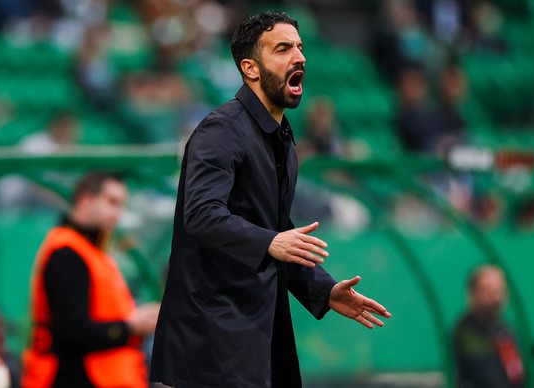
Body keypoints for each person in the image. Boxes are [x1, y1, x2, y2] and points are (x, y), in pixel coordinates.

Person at [150, 11, 391, 388]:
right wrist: (272, 241)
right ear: (251, 68)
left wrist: (324, 290)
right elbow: (200, 214)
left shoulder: (280, 137)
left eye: (299, 47)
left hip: (256, 334)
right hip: (213, 342)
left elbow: (277, 234)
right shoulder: (222, 130)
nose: (299, 56)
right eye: (283, 49)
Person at [22, 171, 160, 388]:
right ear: (86, 200)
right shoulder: (66, 252)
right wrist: (131, 327)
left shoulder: (92, 252)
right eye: (111, 202)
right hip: (73, 378)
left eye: (121, 205)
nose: (117, 214)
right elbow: (72, 331)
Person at [453, 265, 525, 388]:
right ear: (473, 293)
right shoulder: (461, 332)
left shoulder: (506, 330)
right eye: (488, 291)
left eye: (500, 291)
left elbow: (517, 374)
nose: (496, 299)